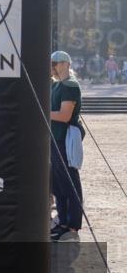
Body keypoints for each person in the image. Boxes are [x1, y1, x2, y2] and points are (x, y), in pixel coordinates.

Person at [50, 51, 83, 243]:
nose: (52, 66)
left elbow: (64, 115)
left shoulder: (70, 86)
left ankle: (72, 225)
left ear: (64, 64)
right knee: (58, 184)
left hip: (64, 140)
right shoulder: (57, 85)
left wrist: (44, 111)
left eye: (54, 63)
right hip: (55, 139)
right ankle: (63, 221)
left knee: (70, 183)